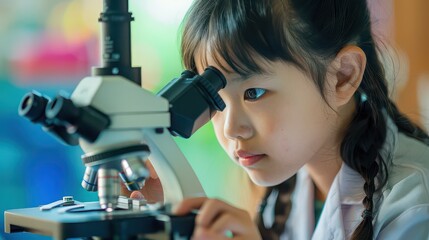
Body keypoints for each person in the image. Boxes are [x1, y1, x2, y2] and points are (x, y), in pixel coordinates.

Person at [136, 0, 429, 239]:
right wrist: (167, 209)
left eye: (254, 92)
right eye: (217, 101)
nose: (231, 128)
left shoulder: (415, 209)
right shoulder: (291, 188)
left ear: (343, 76)